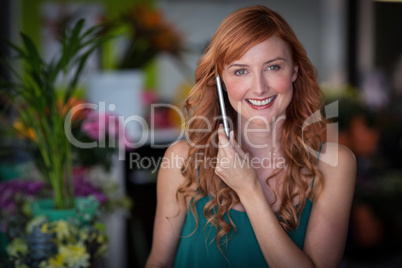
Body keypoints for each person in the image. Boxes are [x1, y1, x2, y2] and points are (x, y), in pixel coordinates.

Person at [146, 5, 356, 268]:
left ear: (294, 71)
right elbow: (158, 262)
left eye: (273, 67)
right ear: (220, 80)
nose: (259, 87)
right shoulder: (181, 160)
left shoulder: (334, 164)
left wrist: (248, 188)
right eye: (240, 71)